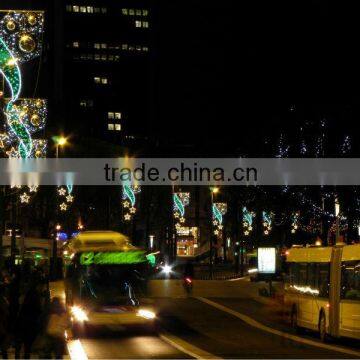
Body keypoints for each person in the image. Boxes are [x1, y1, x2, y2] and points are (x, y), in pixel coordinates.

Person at [14, 283, 43, 359]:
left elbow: (19, 313)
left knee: (19, 345)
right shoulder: (36, 306)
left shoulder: (24, 304)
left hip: (22, 324)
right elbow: (39, 313)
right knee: (28, 347)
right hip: (31, 326)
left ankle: (17, 357)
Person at [0, 284, 10, 359]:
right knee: (3, 347)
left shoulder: (4, 300)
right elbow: (6, 312)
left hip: (2, 325)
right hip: (2, 325)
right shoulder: (3, 300)